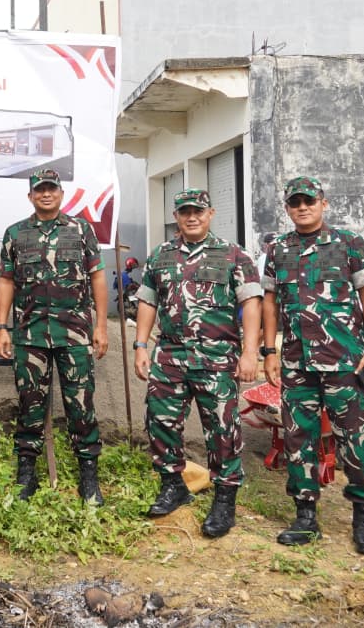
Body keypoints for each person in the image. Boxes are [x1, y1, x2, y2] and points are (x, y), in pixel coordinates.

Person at [261, 177, 364, 555]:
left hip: (345, 362)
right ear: (287, 208)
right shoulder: (278, 248)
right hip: (297, 364)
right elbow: (269, 302)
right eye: (295, 202)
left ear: (323, 203)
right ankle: (305, 517)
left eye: (309, 201)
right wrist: (270, 351)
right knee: (299, 439)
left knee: (356, 441)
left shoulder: (348, 243)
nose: (303, 207)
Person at [133, 188, 262, 538]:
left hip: (217, 357)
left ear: (210, 213)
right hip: (170, 354)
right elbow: (147, 302)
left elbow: (251, 304)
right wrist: (141, 345)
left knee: (222, 429)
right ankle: (172, 484)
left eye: (198, 211)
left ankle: (224, 497)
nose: (192, 216)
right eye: (185, 211)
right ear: (176, 216)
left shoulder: (233, 255)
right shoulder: (160, 255)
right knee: (160, 421)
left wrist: (250, 352)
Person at [0, 168, 108, 505]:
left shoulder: (81, 230)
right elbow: (6, 281)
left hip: (74, 336)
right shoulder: (15, 234)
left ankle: (89, 478)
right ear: (31, 196)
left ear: (61, 194)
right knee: (29, 406)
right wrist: (2, 327)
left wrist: (101, 325)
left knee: (81, 407)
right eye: (39, 190)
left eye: (51, 189)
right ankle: (26, 477)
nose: (46, 194)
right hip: (30, 337)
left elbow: (98, 277)